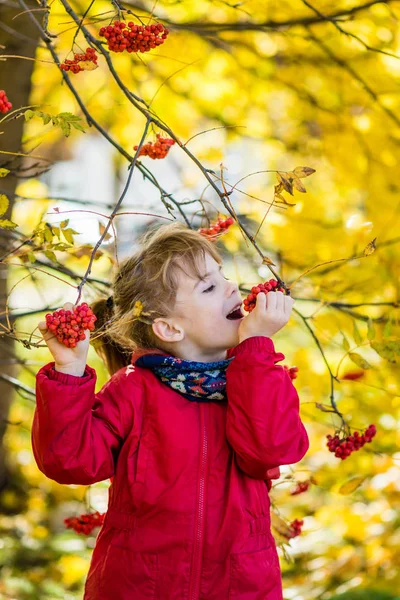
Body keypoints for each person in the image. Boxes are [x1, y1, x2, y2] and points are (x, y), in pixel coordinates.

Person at [32, 220, 309, 600]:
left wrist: (256, 348)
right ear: (169, 328)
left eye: (222, 275)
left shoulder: (259, 377)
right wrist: (69, 371)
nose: (232, 287)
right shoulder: (133, 390)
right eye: (209, 287)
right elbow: (70, 462)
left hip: (238, 583)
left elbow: (271, 450)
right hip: (138, 585)